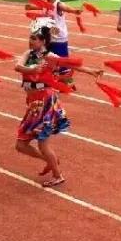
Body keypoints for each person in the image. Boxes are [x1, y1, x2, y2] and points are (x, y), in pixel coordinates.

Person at [14, 18, 102, 187]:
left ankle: (57, 174)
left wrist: (91, 71)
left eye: (34, 38)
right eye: (30, 37)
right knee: (21, 144)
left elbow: (70, 64)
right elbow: (18, 67)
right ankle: (50, 161)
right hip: (33, 103)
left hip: (45, 102)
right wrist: (32, 69)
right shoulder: (28, 54)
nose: (30, 41)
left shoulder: (50, 57)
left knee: (42, 142)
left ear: (43, 41)